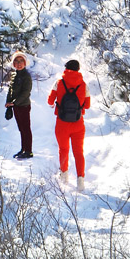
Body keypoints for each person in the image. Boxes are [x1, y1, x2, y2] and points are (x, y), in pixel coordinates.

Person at [48, 58, 90, 189]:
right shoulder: (83, 85)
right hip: (78, 123)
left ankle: (64, 176)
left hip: (62, 123)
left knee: (63, 150)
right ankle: (81, 181)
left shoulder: (59, 82)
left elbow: (50, 101)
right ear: (78, 69)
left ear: (66, 68)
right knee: (78, 152)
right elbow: (87, 106)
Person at [5, 51, 33, 159]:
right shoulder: (14, 75)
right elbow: (10, 90)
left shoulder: (27, 76)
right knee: (21, 129)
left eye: (21, 61)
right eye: (16, 61)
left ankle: (29, 151)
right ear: (13, 63)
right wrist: (8, 103)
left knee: (26, 129)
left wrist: (15, 102)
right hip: (16, 106)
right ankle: (23, 149)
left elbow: (26, 92)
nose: (19, 63)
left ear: (25, 63)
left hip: (24, 106)